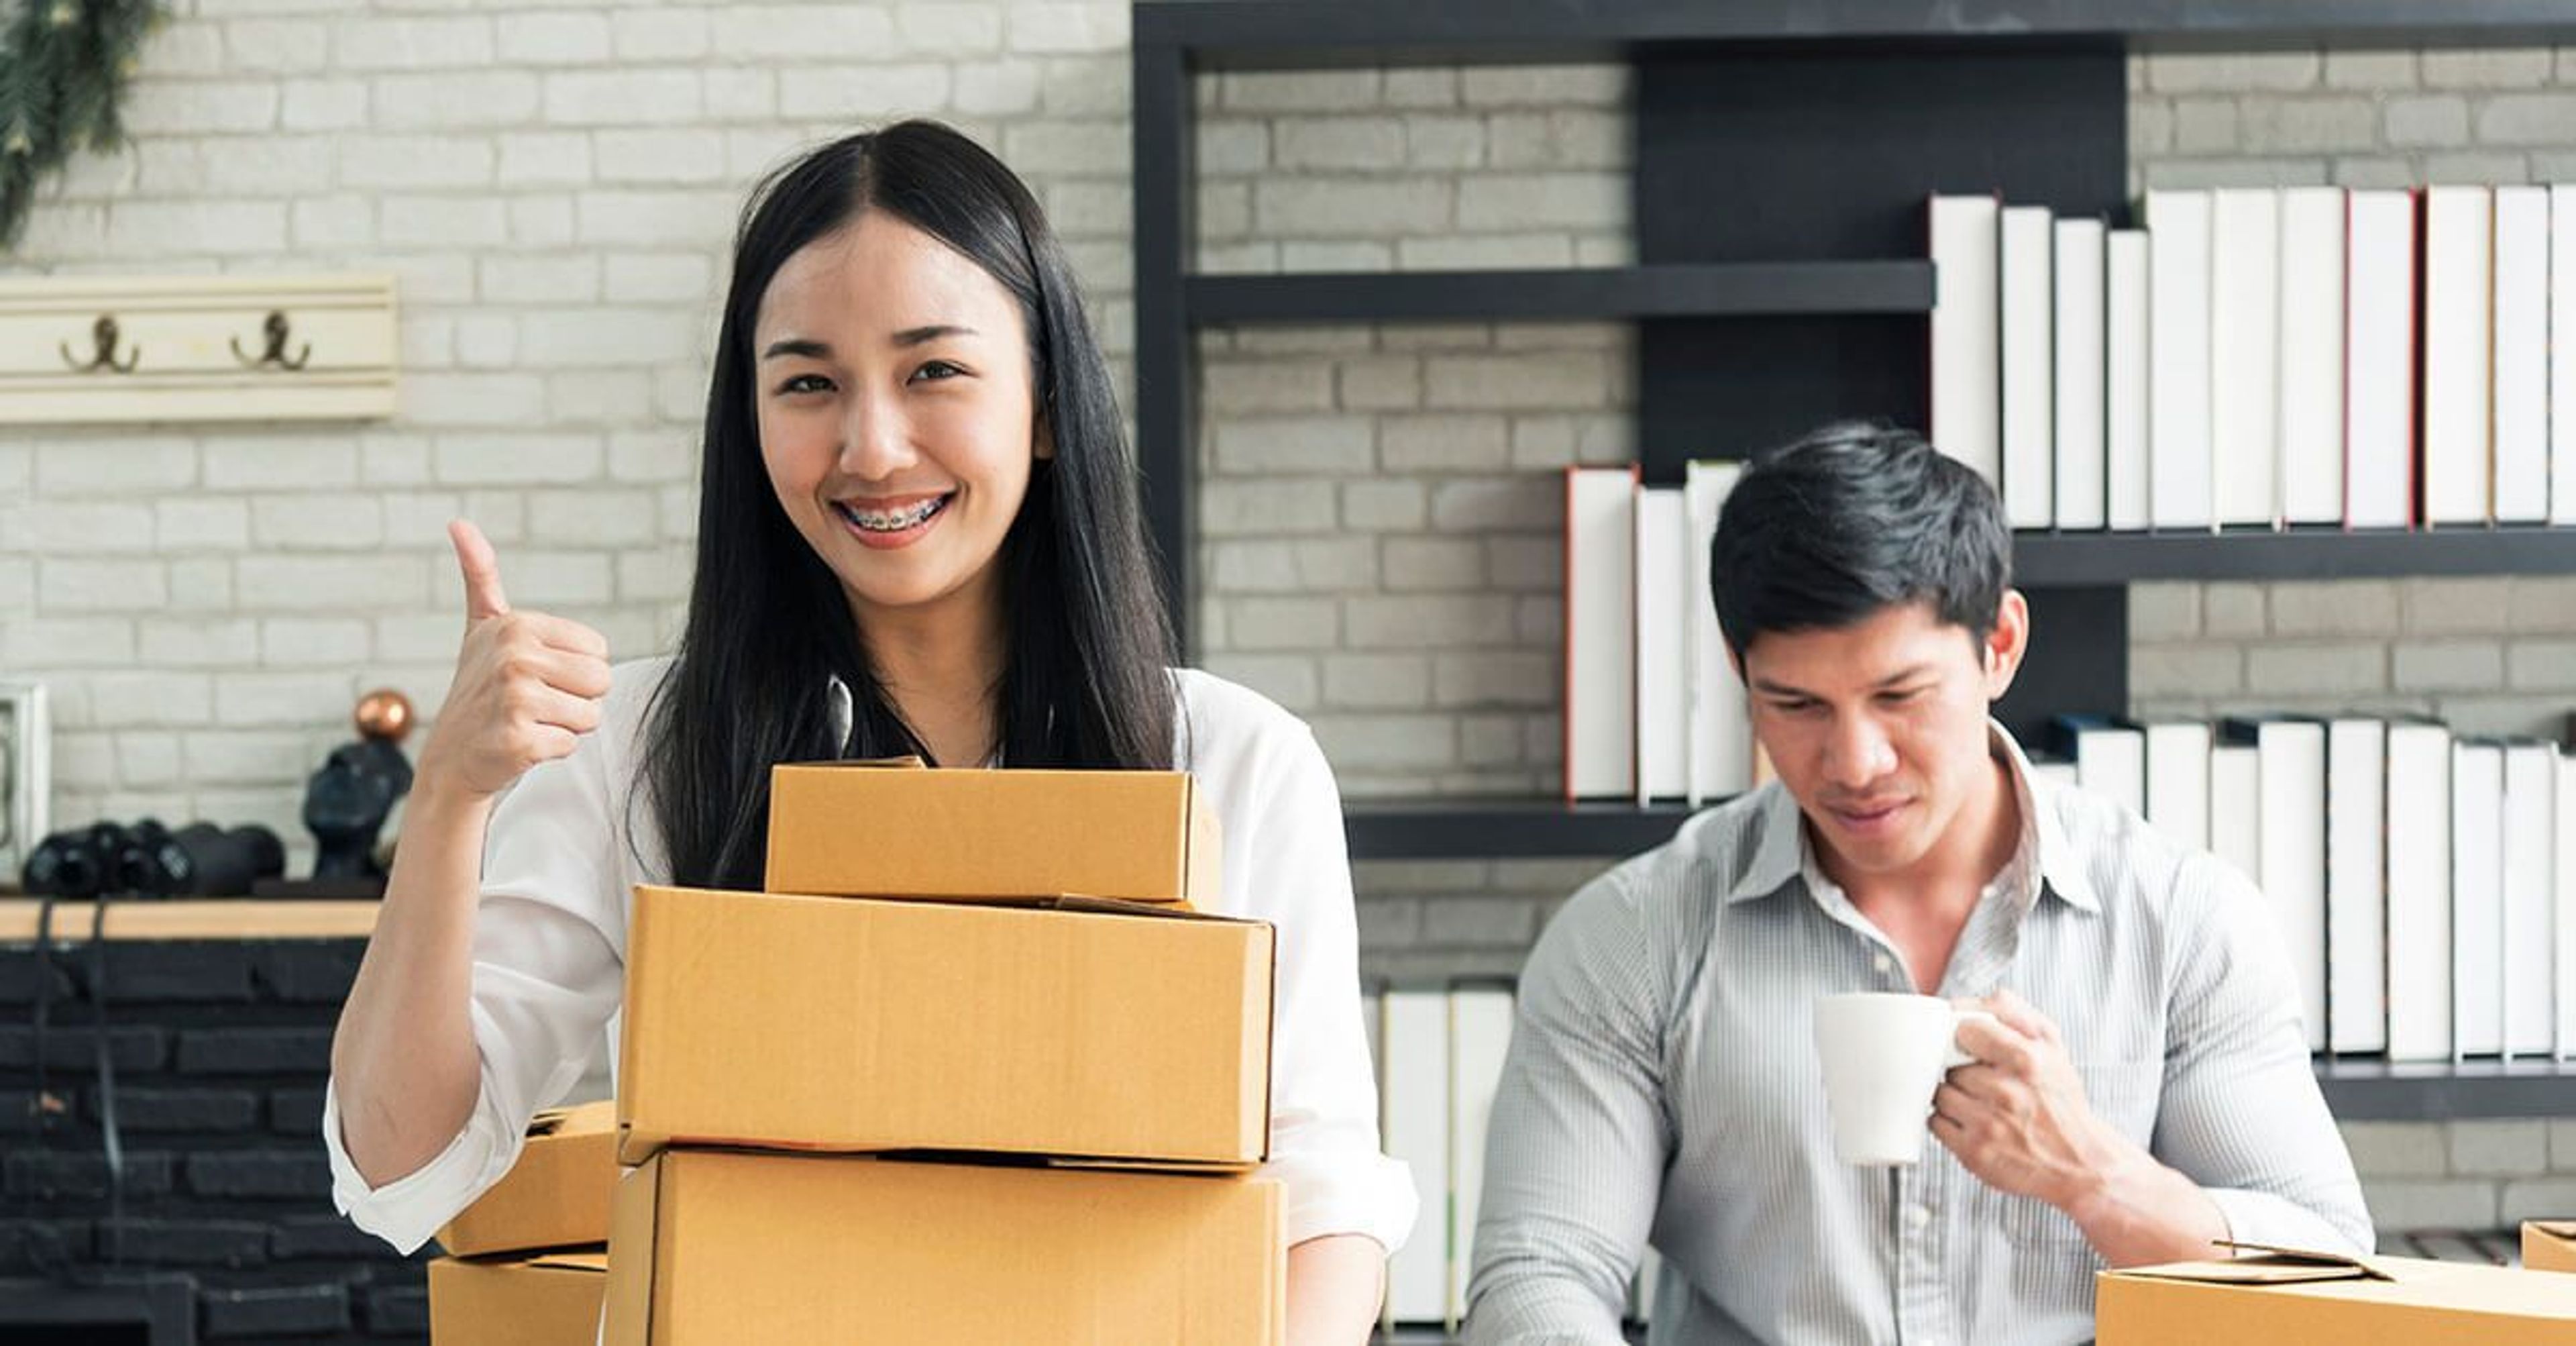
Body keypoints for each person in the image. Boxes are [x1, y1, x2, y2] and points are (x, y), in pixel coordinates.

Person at [325, 119, 1413, 1341]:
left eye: (933, 370)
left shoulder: (1234, 761)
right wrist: (450, 800)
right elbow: (401, 1171)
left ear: (1047, 405)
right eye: (808, 383)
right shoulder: (640, 750)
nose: (873, 447)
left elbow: (1323, 1210)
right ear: (749, 422)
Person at [1465, 423, 2369, 1345]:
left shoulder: (2181, 923)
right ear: (1741, 674)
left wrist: (2093, 1172)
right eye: (1797, 704)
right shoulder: (1636, 935)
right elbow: (1540, 1275)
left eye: (1900, 696)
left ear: (2000, 646)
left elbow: (2330, 1279)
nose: (1855, 762)